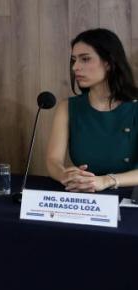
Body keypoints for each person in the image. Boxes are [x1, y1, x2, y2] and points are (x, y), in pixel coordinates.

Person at [46, 28, 138, 192]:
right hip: (84, 193)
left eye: (85, 59)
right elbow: (53, 160)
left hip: (130, 196)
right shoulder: (67, 107)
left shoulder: (134, 106)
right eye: (74, 60)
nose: (75, 67)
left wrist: (107, 180)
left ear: (108, 62)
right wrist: (64, 175)